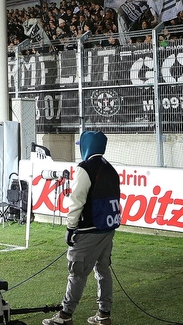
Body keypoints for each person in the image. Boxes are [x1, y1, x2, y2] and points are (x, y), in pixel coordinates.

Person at [43, 131, 121, 325]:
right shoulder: (110, 169)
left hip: (88, 230)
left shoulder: (85, 168)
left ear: (87, 146)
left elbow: (76, 200)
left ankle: (65, 315)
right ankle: (104, 313)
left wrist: (71, 227)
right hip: (107, 228)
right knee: (103, 270)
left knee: (77, 273)